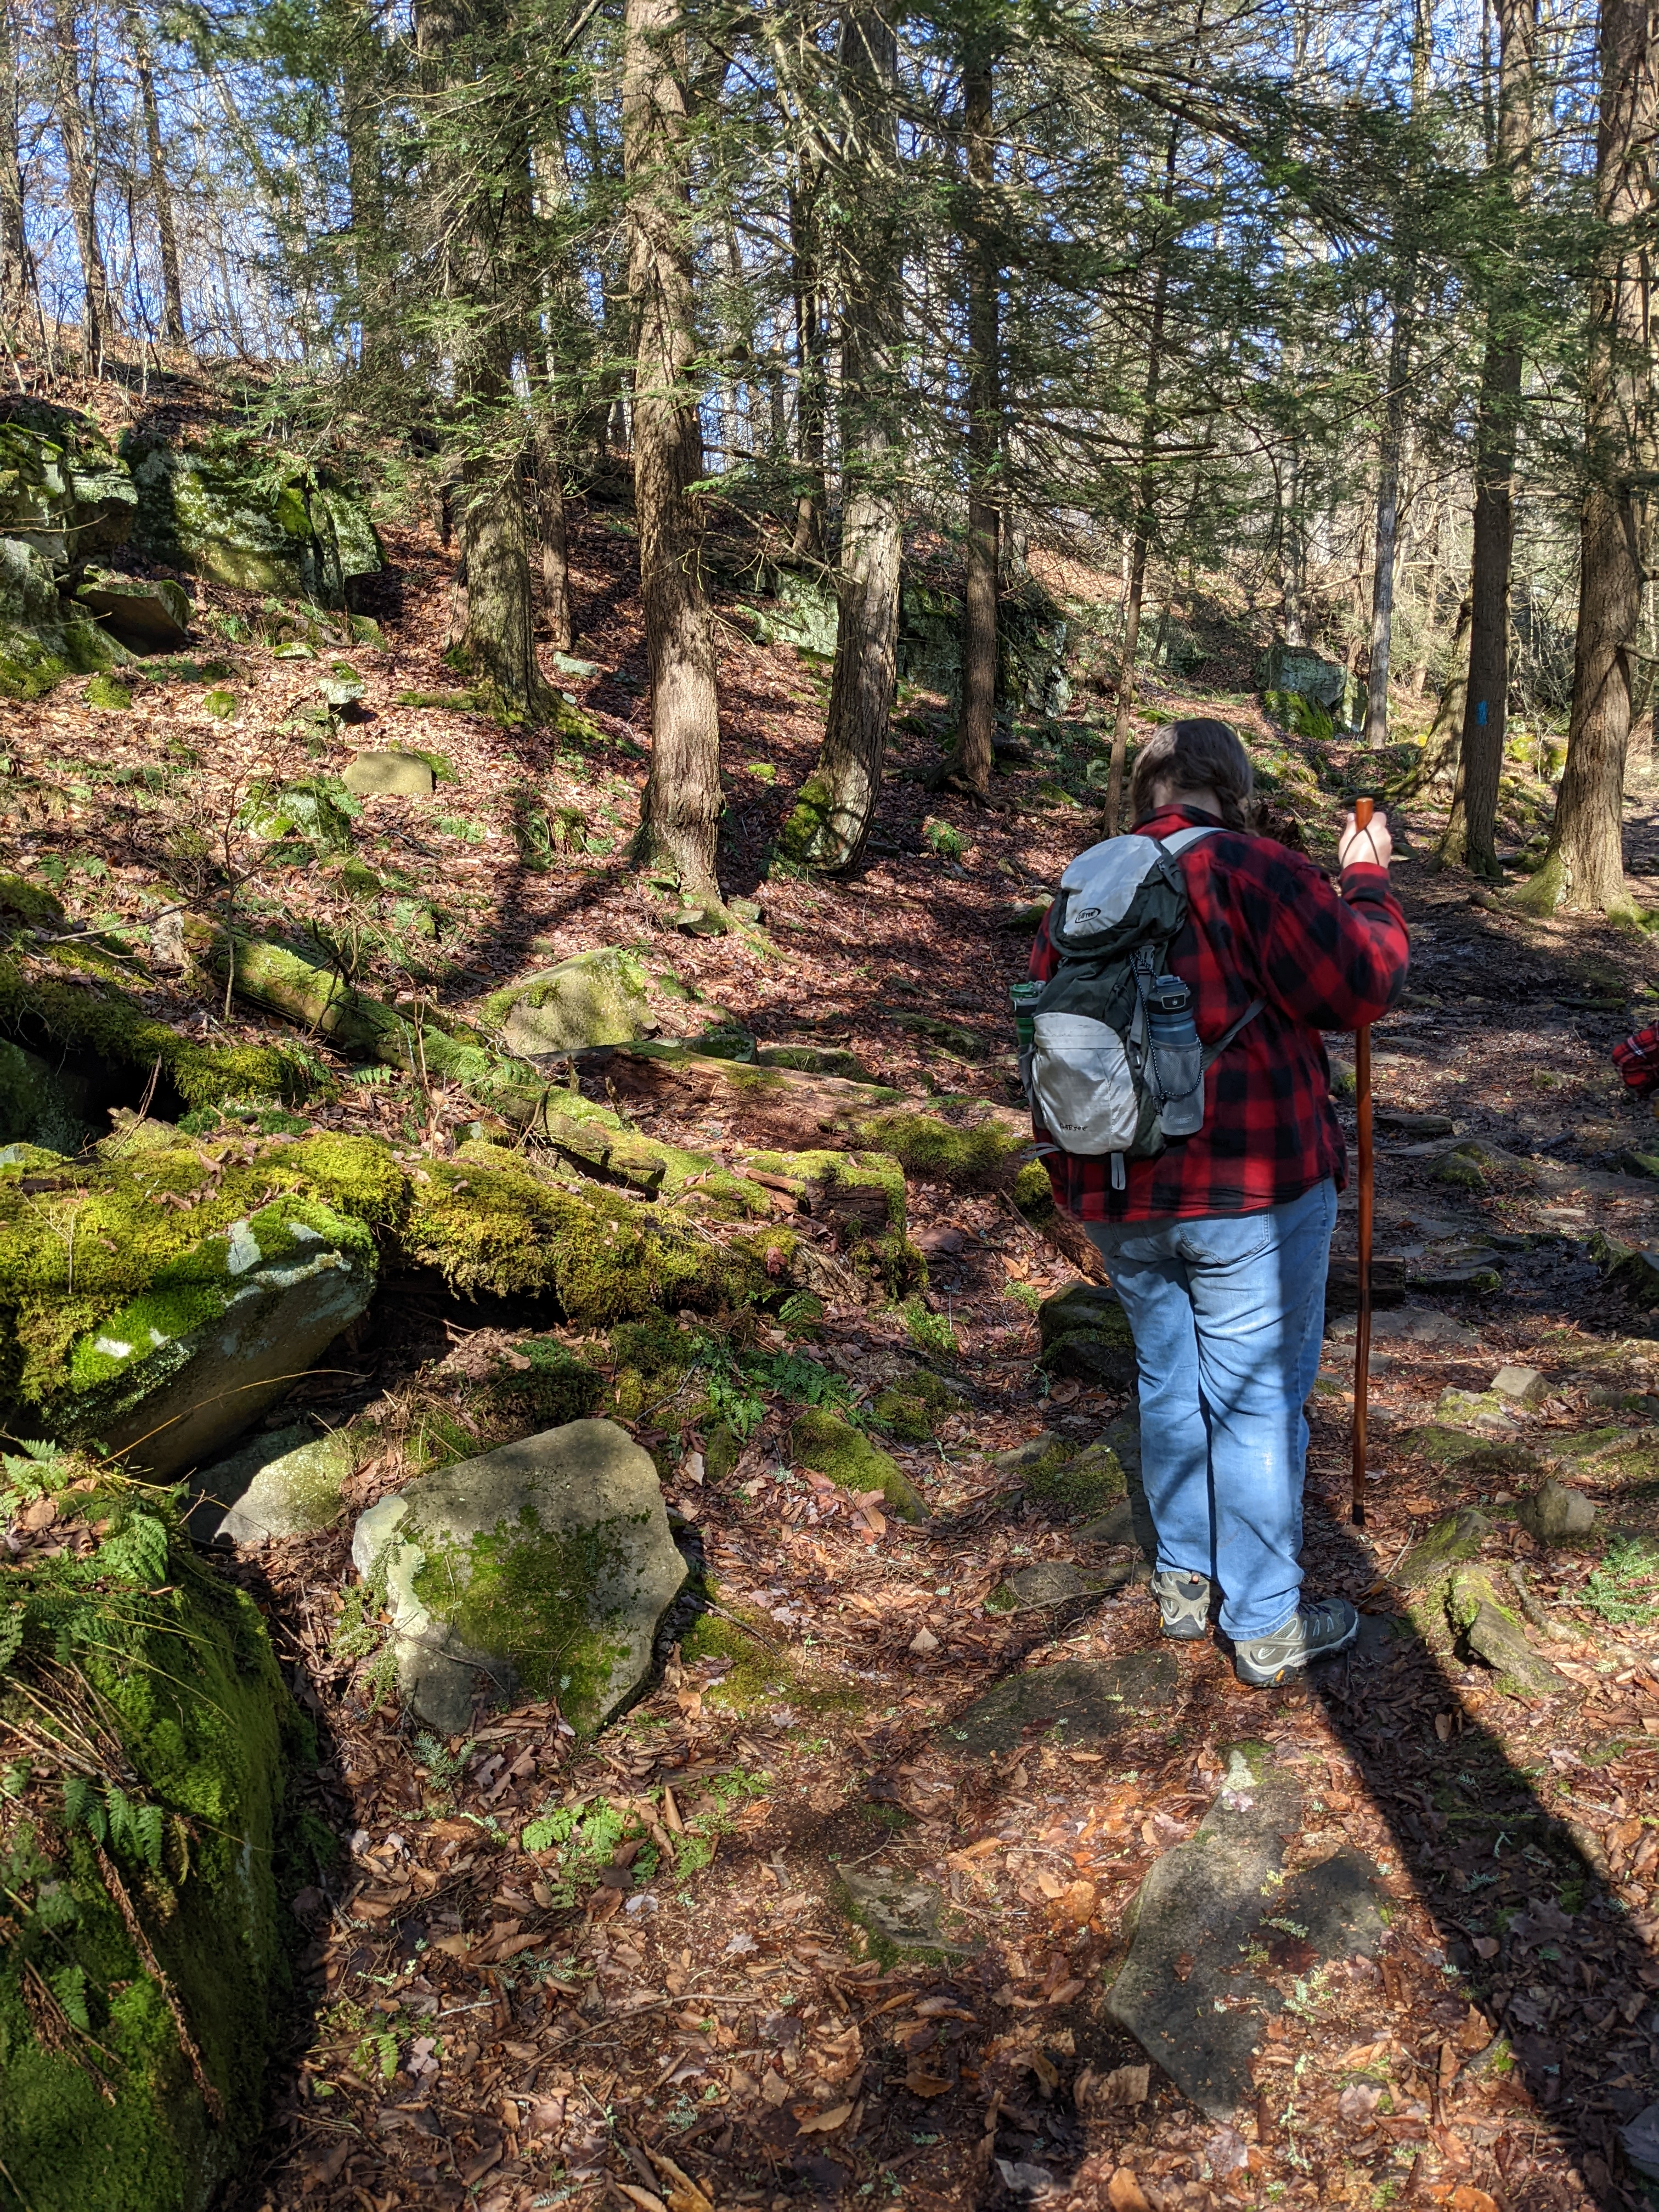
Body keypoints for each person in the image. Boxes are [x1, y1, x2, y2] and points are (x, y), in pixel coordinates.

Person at [1028, 718, 1409, 1686]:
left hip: (1113, 1184)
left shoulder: (1084, 882)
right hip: (1251, 1187)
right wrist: (1366, 879)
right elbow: (1361, 984)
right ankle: (1269, 1623)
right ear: (1230, 789)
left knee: (1167, 1380)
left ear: (1147, 792)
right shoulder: (1258, 869)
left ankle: (1186, 1581)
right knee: (1255, 1399)